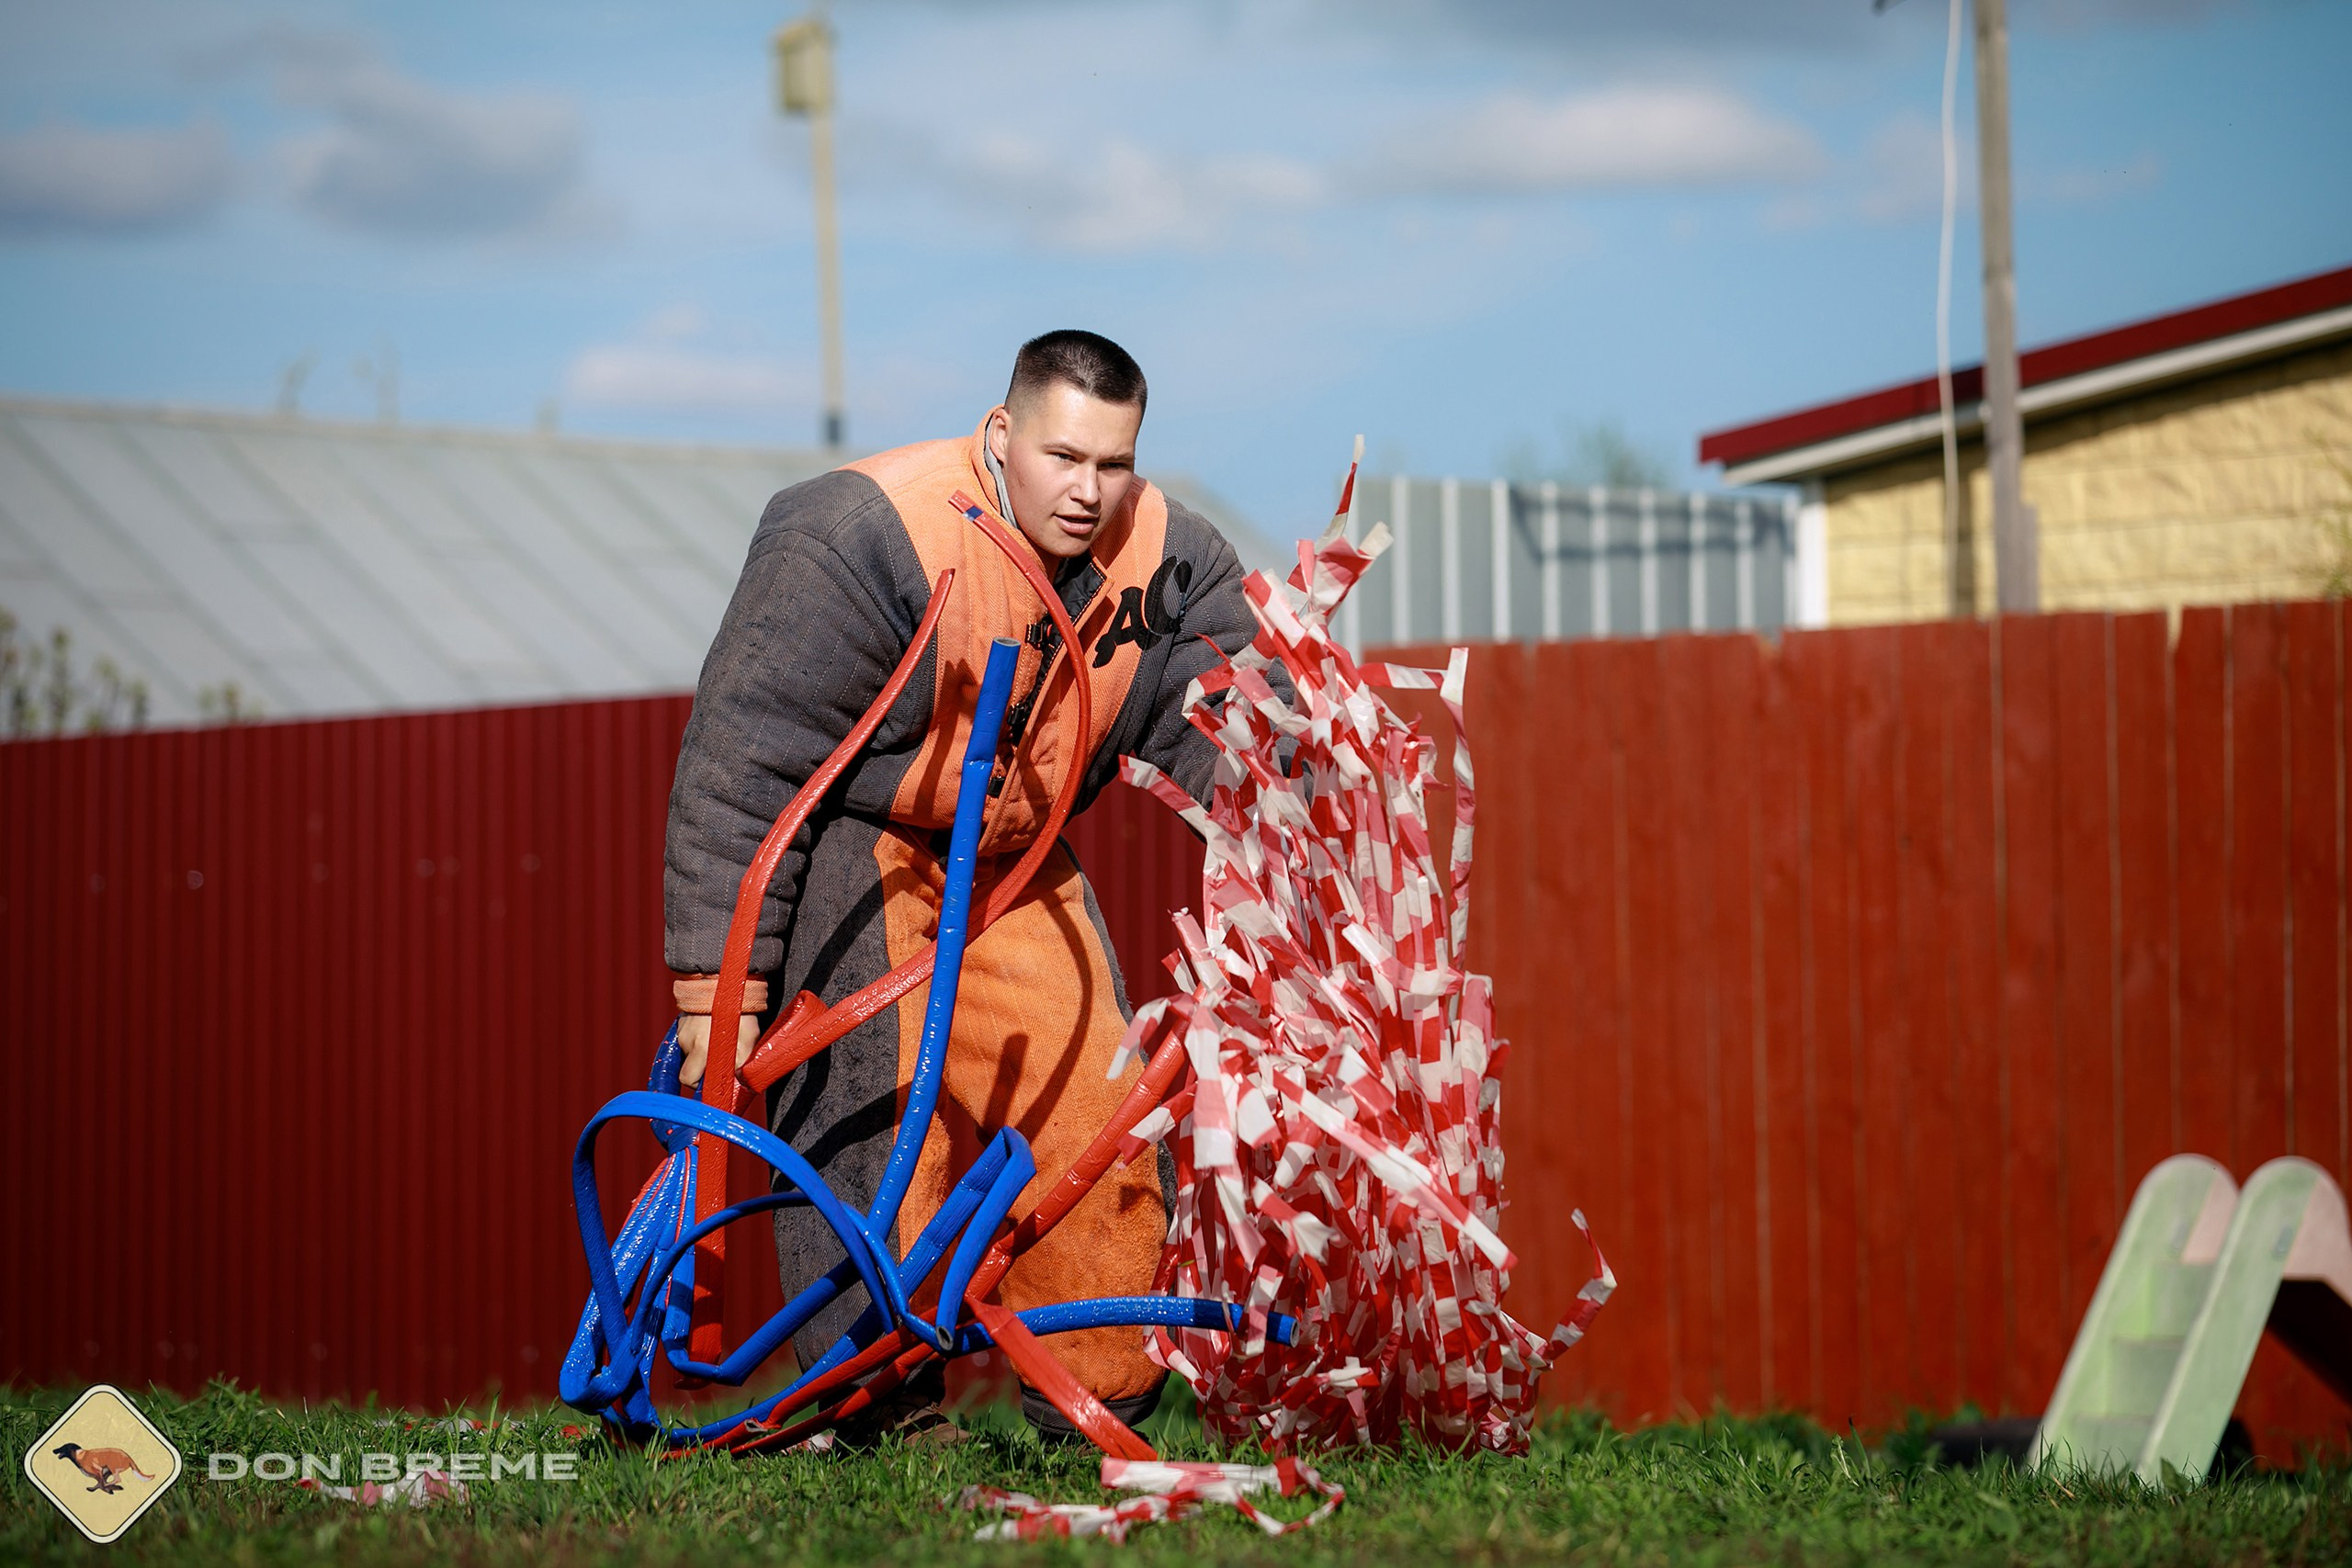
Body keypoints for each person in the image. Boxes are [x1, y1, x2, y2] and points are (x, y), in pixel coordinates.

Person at [663, 330, 1267, 1443]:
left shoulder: (1175, 561)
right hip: (869, 840)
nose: (1089, 492)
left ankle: (1106, 1399)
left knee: (1099, 1115)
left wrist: (1305, 794)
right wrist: (722, 994)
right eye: (1063, 457)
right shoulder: (857, 534)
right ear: (1001, 435)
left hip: (1017, 863)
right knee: (879, 1123)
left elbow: (1227, 720)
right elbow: (743, 766)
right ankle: (871, 1411)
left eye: (1114, 463)